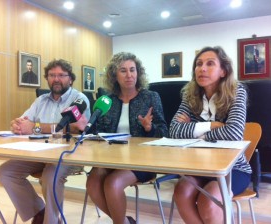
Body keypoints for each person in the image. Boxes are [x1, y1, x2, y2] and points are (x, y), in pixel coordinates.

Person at [0, 59, 91, 224]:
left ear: (71, 79)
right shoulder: (41, 101)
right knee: (5, 172)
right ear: (47, 78)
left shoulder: (79, 99)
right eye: (52, 75)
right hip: (39, 153)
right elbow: (25, 121)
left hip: (69, 155)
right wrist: (17, 124)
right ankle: (39, 211)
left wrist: (34, 127)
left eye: (61, 75)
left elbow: (74, 128)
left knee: (50, 176)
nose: (56, 79)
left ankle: (52, 221)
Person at [169, 46, 252, 224]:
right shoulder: (190, 95)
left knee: (209, 202)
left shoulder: (236, 91)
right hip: (198, 166)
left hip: (232, 169)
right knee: (181, 192)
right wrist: (212, 126)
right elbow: (174, 130)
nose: (202, 68)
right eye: (198, 64)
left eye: (210, 64)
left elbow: (234, 133)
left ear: (223, 71)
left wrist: (195, 131)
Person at [86, 52, 168, 224]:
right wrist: (85, 126)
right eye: (123, 71)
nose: (129, 75)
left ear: (138, 73)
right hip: (110, 158)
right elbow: (97, 132)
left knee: (112, 184)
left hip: (141, 160)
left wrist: (149, 127)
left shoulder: (151, 97)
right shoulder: (106, 101)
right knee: (92, 184)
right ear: (114, 75)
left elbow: (164, 132)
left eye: (132, 70)